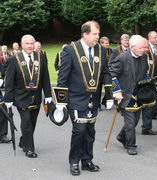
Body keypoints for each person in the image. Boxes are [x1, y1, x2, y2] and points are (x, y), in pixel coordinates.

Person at [56, 20, 111, 176]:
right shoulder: (70, 50)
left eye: (98, 34)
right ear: (85, 34)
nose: (97, 37)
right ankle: (74, 161)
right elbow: (62, 77)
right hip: (75, 98)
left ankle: (87, 161)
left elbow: (106, 73)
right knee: (79, 131)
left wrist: (109, 95)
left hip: (93, 99)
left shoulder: (101, 50)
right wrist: (60, 102)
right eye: (95, 34)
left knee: (90, 132)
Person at [4, 35, 52, 158]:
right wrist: (8, 98)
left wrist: (48, 95)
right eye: (27, 44)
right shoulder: (14, 59)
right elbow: (9, 81)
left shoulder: (40, 57)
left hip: (36, 97)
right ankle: (30, 149)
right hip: (21, 97)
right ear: (22, 44)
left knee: (33, 122)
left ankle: (23, 141)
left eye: (32, 43)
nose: (30, 46)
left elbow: (45, 77)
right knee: (26, 122)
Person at [109, 35, 153, 155]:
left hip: (139, 94)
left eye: (145, 47)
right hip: (125, 95)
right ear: (132, 47)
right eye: (142, 47)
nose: (145, 49)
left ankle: (121, 136)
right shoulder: (122, 58)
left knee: (136, 120)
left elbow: (144, 72)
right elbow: (111, 75)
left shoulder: (144, 56)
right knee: (130, 122)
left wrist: (148, 81)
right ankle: (131, 145)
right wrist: (116, 91)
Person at [139, 38, 157, 135]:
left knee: (149, 107)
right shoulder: (137, 56)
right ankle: (125, 131)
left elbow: (156, 72)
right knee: (135, 112)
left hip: (149, 86)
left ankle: (146, 128)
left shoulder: (153, 57)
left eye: (147, 47)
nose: (146, 49)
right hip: (138, 86)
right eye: (144, 47)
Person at [99, 37, 113, 110]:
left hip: (107, 72)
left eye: (108, 43)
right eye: (106, 43)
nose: (108, 45)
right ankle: (97, 105)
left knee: (108, 86)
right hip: (98, 72)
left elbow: (113, 59)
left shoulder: (110, 50)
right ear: (101, 43)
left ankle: (105, 101)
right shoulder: (98, 50)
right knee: (97, 90)